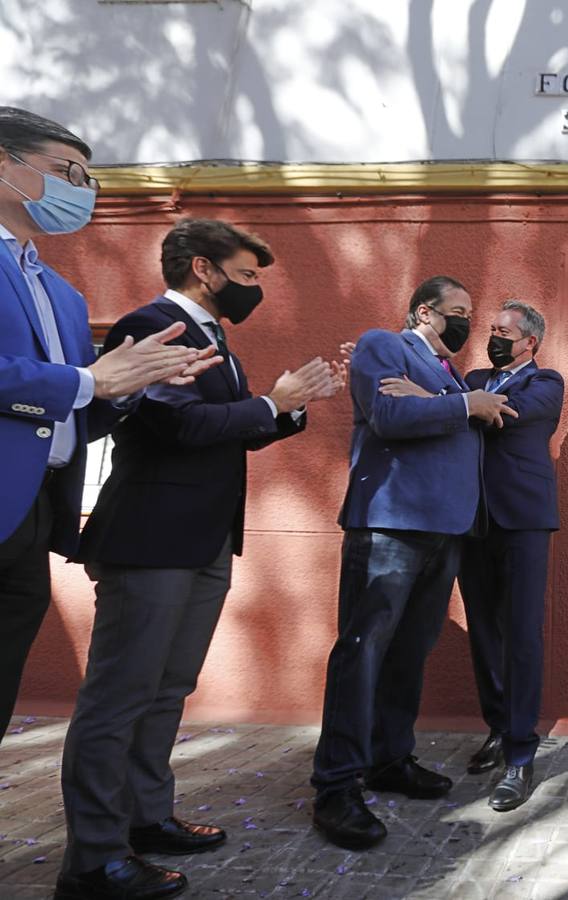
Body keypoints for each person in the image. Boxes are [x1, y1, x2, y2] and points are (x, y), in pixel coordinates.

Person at [57, 218, 342, 900]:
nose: (253, 289)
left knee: (166, 689)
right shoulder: (149, 326)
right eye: (245, 275)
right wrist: (270, 402)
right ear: (203, 268)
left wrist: (286, 409)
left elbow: (227, 434)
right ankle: (93, 859)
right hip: (151, 542)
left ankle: (147, 819)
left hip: (204, 541)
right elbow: (177, 425)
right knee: (118, 698)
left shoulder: (219, 341)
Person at [0, 107, 217, 748]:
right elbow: (70, 385)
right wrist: (92, 380)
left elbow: (73, 411)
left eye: (88, 180)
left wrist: (132, 386)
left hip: (36, 509)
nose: (80, 191)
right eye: (66, 172)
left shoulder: (63, 295)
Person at [309, 276, 516, 851]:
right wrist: (466, 406)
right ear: (424, 312)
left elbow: (440, 418)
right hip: (391, 523)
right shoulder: (385, 344)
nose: (468, 323)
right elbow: (388, 418)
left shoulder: (447, 373)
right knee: (363, 650)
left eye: (471, 314)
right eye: (458, 311)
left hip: (445, 529)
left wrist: (449, 401)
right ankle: (336, 786)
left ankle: (388, 758)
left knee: (408, 652)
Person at [456, 300, 563, 810]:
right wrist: (458, 403)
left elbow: (502, 418)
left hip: (522, 521)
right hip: (471, 521)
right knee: (484, 631)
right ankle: (498, 728)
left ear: (530, 343)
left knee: (520, 634)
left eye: (503, 331)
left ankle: (521, 755)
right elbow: (452, 412)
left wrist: (460, 406)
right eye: (491, 329)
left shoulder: (547, 383)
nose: (493, 336)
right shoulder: (473, 376)